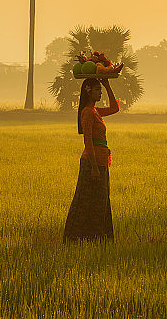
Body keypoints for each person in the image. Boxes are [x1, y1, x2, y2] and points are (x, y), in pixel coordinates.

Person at [63, 77, 119, 242]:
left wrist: (107, 85)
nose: (100, 92)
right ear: (88, 92)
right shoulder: (87, 112)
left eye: (100, 89)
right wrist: (94, 167)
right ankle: (80, 237)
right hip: (92, 163)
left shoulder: (95, 111)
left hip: (101, 162)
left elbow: (115, 108)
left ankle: (98, 238)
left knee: (101, 200)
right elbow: (87, 140)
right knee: (86, 200)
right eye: (97, 89)